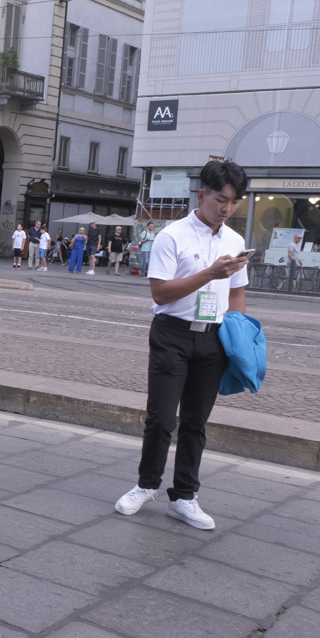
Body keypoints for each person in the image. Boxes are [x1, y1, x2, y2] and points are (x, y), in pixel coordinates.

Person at [114, 159, 250, 531]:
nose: (226, 208)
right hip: (172, 333)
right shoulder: (171, 236)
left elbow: (236, 292)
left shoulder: (235, 241)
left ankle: (185, 496)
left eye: (235, 202)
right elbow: (160, 291)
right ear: (202, 194)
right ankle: (146, 485)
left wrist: (237, 334)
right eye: (221, 199)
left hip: (214, 338)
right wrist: (208, 273)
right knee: (160, 418)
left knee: (196, 422)